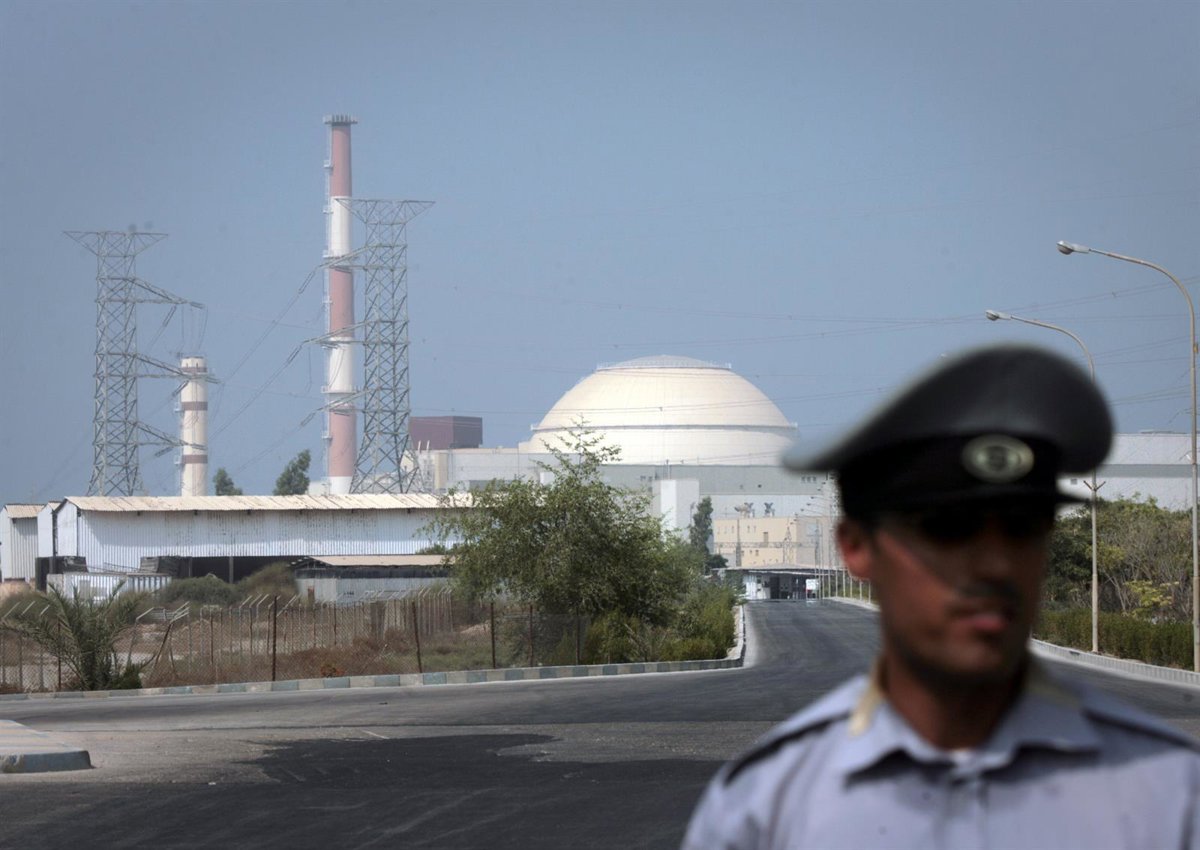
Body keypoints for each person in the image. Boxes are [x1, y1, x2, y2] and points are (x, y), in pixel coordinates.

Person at [682, 343, 1200, 850]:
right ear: (856, 548)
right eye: (948, 530)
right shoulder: (767, 808)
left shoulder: (1167, 795)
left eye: (1022, 527)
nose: (994, 565)